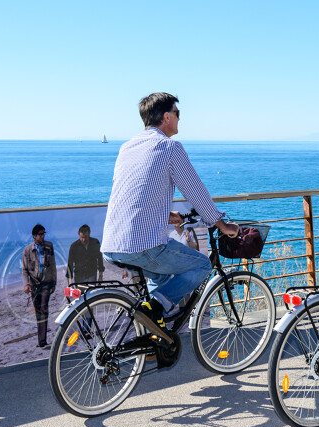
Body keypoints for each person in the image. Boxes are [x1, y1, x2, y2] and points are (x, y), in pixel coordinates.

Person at [101, 92, 237, 341]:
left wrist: (165, 214)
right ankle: (153, 311)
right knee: (201, 265)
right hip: (142, 246)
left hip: (111, 243)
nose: (179, 118)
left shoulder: (127, 147)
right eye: (178, 113)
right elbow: (195, 190)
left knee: (161, 277)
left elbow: (133, 197)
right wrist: (220, 222)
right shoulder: (169, 147)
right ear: (167, 116)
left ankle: (157, 336)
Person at [21, 224, 57, 348]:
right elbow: (25, 270)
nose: (42, 236)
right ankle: (41, 339)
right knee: (38, 312)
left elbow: (53, 265)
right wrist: (26, 285)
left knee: (43, 309)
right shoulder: (27, 250)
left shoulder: (49, 246)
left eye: (43, 234)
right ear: (34, 236)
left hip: (46, 283)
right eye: (40, 234)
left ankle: (42, 340)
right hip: (34, 285)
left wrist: (54, 282)